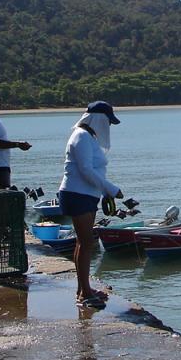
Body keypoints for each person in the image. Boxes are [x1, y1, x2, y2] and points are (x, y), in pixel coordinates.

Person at [58, 101, 123, 308]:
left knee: (83, 242)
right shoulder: (82, 136)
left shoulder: (87, 137)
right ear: (98, 119)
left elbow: (92, 171)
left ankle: (83, 288)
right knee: (86, 243)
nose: (109, 127)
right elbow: (86, 170)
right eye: (108, 122)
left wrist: (104, 191)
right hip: (78, 195)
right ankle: (84, 293)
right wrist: (111, 189)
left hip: (85, 195)